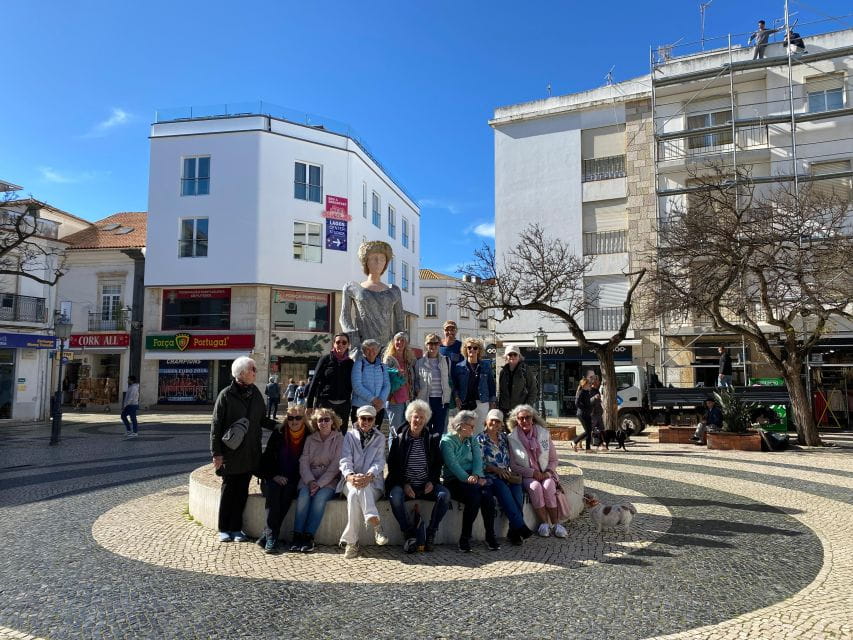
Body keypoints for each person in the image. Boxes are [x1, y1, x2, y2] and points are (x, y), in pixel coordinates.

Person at [210, 356, 276, 543]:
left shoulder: (255, 393)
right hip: (231, 453)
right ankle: (224, 528)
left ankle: (236, 528)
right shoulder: (226, 395)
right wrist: (216, 454)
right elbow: (216, 426)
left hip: (250, 451)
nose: (256, 372)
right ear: (242, 373)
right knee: (229, 490)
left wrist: (282, 426)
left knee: (242, 491)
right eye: (253, 369)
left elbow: (262, 419)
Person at [386, 400, 450, 553]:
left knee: (445, 495)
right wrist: (404, 484)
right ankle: (408, 532)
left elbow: (437, 464)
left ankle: (431, 532)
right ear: (409, 418)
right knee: (395, 497)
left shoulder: (432, 438)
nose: (418, 420)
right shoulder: (399, 439)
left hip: (425, 485)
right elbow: (393, 466)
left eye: (422, 417)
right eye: (416, 417)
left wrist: (431, 482)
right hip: (405, 485)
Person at [440, 410, 499, 552]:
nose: (474, 429)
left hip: (473, 478)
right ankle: (464, 538)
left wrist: (477, 476)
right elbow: (453, 465)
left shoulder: (471, 439)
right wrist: (468, 479)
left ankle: (490, 536)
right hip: (454, 480)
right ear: (461, 425)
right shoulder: (446, 442)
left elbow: (478, 460)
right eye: (471, 426)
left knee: (487, 495)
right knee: (474, 497)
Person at [507, 404, 567, 539]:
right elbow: (513, 465)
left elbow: (553, 459)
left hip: (545, 472)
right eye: (521, 418)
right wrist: (532, 473)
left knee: (548, 485)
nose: (524, 421)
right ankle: (544, 523)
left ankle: (556, 524)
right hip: (528, 475)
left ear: (532, 419)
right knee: (535, 487)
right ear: (516, 420)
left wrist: (547, 473)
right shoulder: (512, 438)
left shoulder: (544, 434)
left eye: (527, 417)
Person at [338, 405, 389, 559]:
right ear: (357, 419)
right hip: (350, 480)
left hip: (373, 482)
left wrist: (369, 476)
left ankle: (351, 543)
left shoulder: (380, 437)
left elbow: (380, 461)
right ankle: (376, 525)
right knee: (354, 490)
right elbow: (345, 458)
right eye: (363, 418)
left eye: (369, 419)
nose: (366, 421)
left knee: (355, 495)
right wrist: (350, 475)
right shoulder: (349, 435)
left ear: (374, 420)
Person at [477, 409, 534, 545]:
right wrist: (496, 469)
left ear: (501, 424)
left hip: (507, 475)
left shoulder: (503, 437)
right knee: (504, 491)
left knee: (518, 493)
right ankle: (521, 527)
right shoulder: (480, 439)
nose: (495, 423)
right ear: (486, 421)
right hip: (490, 476)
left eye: (498, 421)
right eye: (492, 420)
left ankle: (513, 531)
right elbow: (478, 463)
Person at [290, 408, 344, 553]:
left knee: (320, 498)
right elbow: (304, 461)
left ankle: (308, 536)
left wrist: (319, 484)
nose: (324, 422)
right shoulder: (310, 439)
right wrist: (310, 481)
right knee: (303, 497)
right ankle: (297, 535)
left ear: (332, 422)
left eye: (327, 419)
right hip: (309, 478)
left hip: (329, 480)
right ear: (316, 423)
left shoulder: (339, 439)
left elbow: (335, 466)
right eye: (320, 420)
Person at [256, 406, 308, 553]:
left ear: (304, 419)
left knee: (287, 493)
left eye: (298, 418)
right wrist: (274, 476)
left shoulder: (309, 435)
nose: (294, 421)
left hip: (295, 478)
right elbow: (266, 460)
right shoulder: (279, 433)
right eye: (290, 418)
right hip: (273, 476)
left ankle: (268, 534)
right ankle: (272, 536)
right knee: (274, 490)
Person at [340, 240, 404, 357]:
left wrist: (400, 341)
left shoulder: (394, 291)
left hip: (387, 349)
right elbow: (344, 318)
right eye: (374, 258)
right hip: (363, 348)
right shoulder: (353, 288)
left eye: (382, 259)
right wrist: (354, 340)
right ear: (366, 261)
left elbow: (399, 322)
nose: (378, 262)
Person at [305, 333, 354, 430]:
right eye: (338, 342)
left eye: (344, 342)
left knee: (340, 434)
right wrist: (309, 405)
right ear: (334, 344)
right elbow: (314, 381)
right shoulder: (325, 359)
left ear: (348, 345)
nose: (341, 344)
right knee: (321, 432)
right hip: (325, 403)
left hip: (343, 405)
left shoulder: (350, 363)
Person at [451, 337, 496, 434]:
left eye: (475, 348)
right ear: (465, 350)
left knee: (479, 432)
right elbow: (455, 386)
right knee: (464, 432)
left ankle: (477, 449)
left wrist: (492, 403)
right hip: (465, 403)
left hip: (482, 402)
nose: (472, 350)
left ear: (479, 350)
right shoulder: (459, 367)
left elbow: (491, 385)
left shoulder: (485, 366)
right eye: (469, 347)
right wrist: (457, 398)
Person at [415, 333, 453, 435]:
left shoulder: (446, 361)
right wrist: (417, 389)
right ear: (426, 345)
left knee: (440, 430)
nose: (433, 346)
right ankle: (427, 450)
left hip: (441, 401)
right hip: (425, 400)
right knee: (425, 429)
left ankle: (437, 450)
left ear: (439, 345)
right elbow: (416, 381)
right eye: (430, 343)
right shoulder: (419, 362)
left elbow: (450, 379)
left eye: (436, 343)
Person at [383, 332, 418, 437]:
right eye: (397, 340)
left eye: (403, 340)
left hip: (408, 399)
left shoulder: (410, 360)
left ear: (406, 343)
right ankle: (394, 453)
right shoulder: (389, 360)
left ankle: (402, 452)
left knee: (406, 430)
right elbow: (385, 379)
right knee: (394, 431)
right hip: (394, 399)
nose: (400, 342)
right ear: (393, 342)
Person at [351, 339, 391, 428]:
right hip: (360, 407)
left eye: (374, 349)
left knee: (375, 437)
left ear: (377, 351)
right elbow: (357, 386)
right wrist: (373, 399)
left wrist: (381, 401)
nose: (371, 352)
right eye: (367, 349)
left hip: (378, 408)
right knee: (359, 436)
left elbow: (387, 385)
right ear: (364, 351)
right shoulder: (358, 364)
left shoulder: (382, 366)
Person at [497, 344, 538, 416]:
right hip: (505, 410)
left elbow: (533, 390)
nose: (512, 356)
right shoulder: (503, 372)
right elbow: (500, 391)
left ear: (519, 356)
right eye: (510, 354)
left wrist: (526, 407)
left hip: (521, 411)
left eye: (515, 354)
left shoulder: (525, 370)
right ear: (506, 357)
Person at [571, 378, 593, 452]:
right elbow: (577, 403)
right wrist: (585, 409)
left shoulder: (587, 392)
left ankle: (588, 448)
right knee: (587, 431)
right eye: (588, 384)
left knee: (589, 430)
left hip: (587, 413)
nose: (589, 385)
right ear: (584, 384)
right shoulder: (581, 392)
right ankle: (574, 441)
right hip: (582, 414)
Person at [589, 376, 607, 451]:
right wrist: (594, 398)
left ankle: (601, 444)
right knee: (594, 429)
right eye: (598, 380)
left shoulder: (597, 390)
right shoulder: (590, 391)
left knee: (601, 429)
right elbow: (588, 402)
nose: (599, 382)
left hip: (598, 413)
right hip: (593, 414)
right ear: (594, 382)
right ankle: (577, 441)